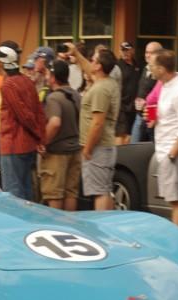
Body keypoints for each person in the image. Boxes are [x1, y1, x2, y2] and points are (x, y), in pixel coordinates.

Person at [0, 41, 45, 200]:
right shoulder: (27, 81)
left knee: (14, 193)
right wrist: (40, 138)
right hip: (27, 145)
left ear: (2, 61)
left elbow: (25, 115)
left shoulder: (8, 85)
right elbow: (39, 112)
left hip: (13, 144)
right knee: (26, 189)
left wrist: (37, 134)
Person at [149, 50, 178, 229]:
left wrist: (171, 155)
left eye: (152, 66)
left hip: (175, 152)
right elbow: (169, 118)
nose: (150, 69)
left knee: (176, 200)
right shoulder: (165, 86)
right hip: (166, 150)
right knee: (173, 200)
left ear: (161, 69)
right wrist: (154, 118)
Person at [79, 48, 120, 210]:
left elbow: (97, 123)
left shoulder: (100, 89)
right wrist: (76, 53)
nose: (90, 62)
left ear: (99, 66)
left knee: (100, 192)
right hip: (105, 146)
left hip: (98, 147)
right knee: (105, 189)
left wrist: (87, 149)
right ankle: (108, 228)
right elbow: (88, 68)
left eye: (94, 60)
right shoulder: (109, 83)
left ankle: (101, 231)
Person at [39, 60, 80, 211]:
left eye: (48, 74)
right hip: (75, 150)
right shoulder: (76, 95)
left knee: (54, 193)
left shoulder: (54, 98)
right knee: (71, 193)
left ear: (53, 77)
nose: (46, 77)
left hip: (57, 153)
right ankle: (71, 225)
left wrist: (44, 142)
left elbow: (55, 122)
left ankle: (57, 226)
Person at [130, 41, 162, 143]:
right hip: (140, 114)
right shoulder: (145, 68)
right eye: (146, 52)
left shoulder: (161, 72)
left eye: (151, 53)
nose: (147, 55)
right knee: (134, 146)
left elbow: (159, 97)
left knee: (151, 146)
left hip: (153, 115)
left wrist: (151, 113)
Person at [116, 41, 140, 145]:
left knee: (132, 136)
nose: (125, 53)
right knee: (122, 136)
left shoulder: (138, 65)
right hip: (122, 107)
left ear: (132, 51)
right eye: (123, 50)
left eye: (127, 50)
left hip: (135, 107)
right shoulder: (117, 66)